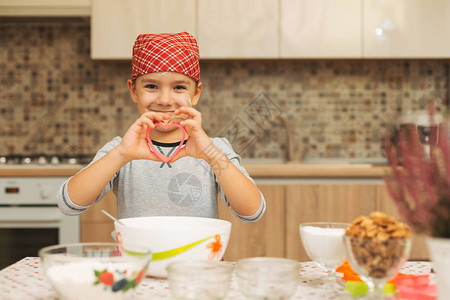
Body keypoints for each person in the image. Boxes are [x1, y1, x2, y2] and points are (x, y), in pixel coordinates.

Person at [57, 32, 266, 223]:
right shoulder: (121, 150)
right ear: (133, 91)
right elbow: (69, 204)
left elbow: (252, 213)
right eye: (151, 86)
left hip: (199, 263)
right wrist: (120, 155)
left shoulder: (214, 149)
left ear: (196, 93)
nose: (165, 100)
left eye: (179, 87)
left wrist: (211, 156)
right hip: (137, 262)